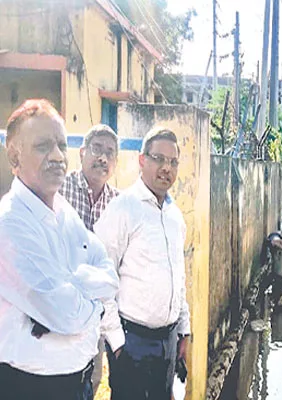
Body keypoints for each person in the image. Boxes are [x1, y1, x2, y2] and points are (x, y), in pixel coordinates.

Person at [0, 99, 119, 399]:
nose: (57, 156)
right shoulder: (10, 223)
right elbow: (65, 313)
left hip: (77, 385)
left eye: (61, 146)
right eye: (42, 146)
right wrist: (99, 306)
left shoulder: (64, 212)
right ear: (14, 158)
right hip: (29, 388)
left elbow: (109, 274)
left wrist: (71, 281)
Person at [95, 127, 191, 399]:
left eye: (173, 162)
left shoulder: (175, 217)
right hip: (132, 342)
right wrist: (116, 342)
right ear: (141, 160)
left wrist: (184, 329)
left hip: (168, 342)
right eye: (158, 159)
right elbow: (101, 279)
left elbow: (178, 277)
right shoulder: (123, 208)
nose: (166, 168)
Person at [59, 124, 120, 396]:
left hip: (96, 315)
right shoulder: (59, 189)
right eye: (97, 149)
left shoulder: (118, 203)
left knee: (91, 382)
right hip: (57, 309)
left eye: (110, 153)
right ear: (82, 152)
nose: (103, 158)